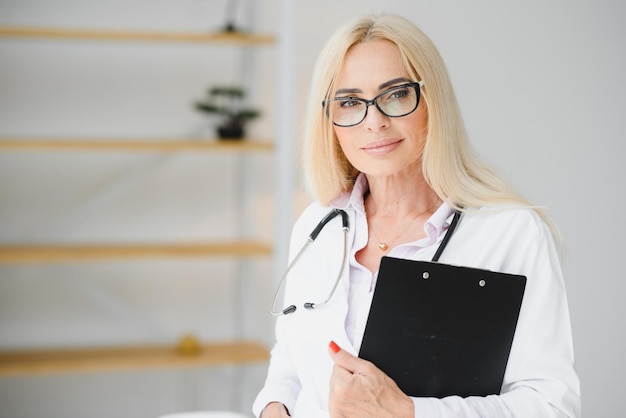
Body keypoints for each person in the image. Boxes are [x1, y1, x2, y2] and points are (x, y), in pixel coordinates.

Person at [253, 13, 580, 418]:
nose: (374, 121)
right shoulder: (318, 225)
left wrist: (408, 412)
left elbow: (551, 405)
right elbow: (292, 355)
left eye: (395, 94)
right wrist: (273, 406)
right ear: (329, 118)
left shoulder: (510, 233)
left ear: (432, 100)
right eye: (350, 102)